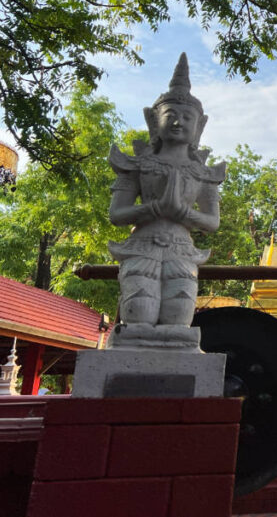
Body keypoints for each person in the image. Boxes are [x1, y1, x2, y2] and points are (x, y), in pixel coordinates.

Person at [107, 53, 225, 344]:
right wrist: (154, 208)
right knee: (138, 318)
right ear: (153, 120)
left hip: (182, 251)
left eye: (187, 117)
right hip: (142, 247)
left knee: (178, 324)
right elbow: (116, 214)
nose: (178, 122)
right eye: (170, 114)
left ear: (200, 126)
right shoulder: (136, 165)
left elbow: (212, 222)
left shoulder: (203, 174)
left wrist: (184, 215)